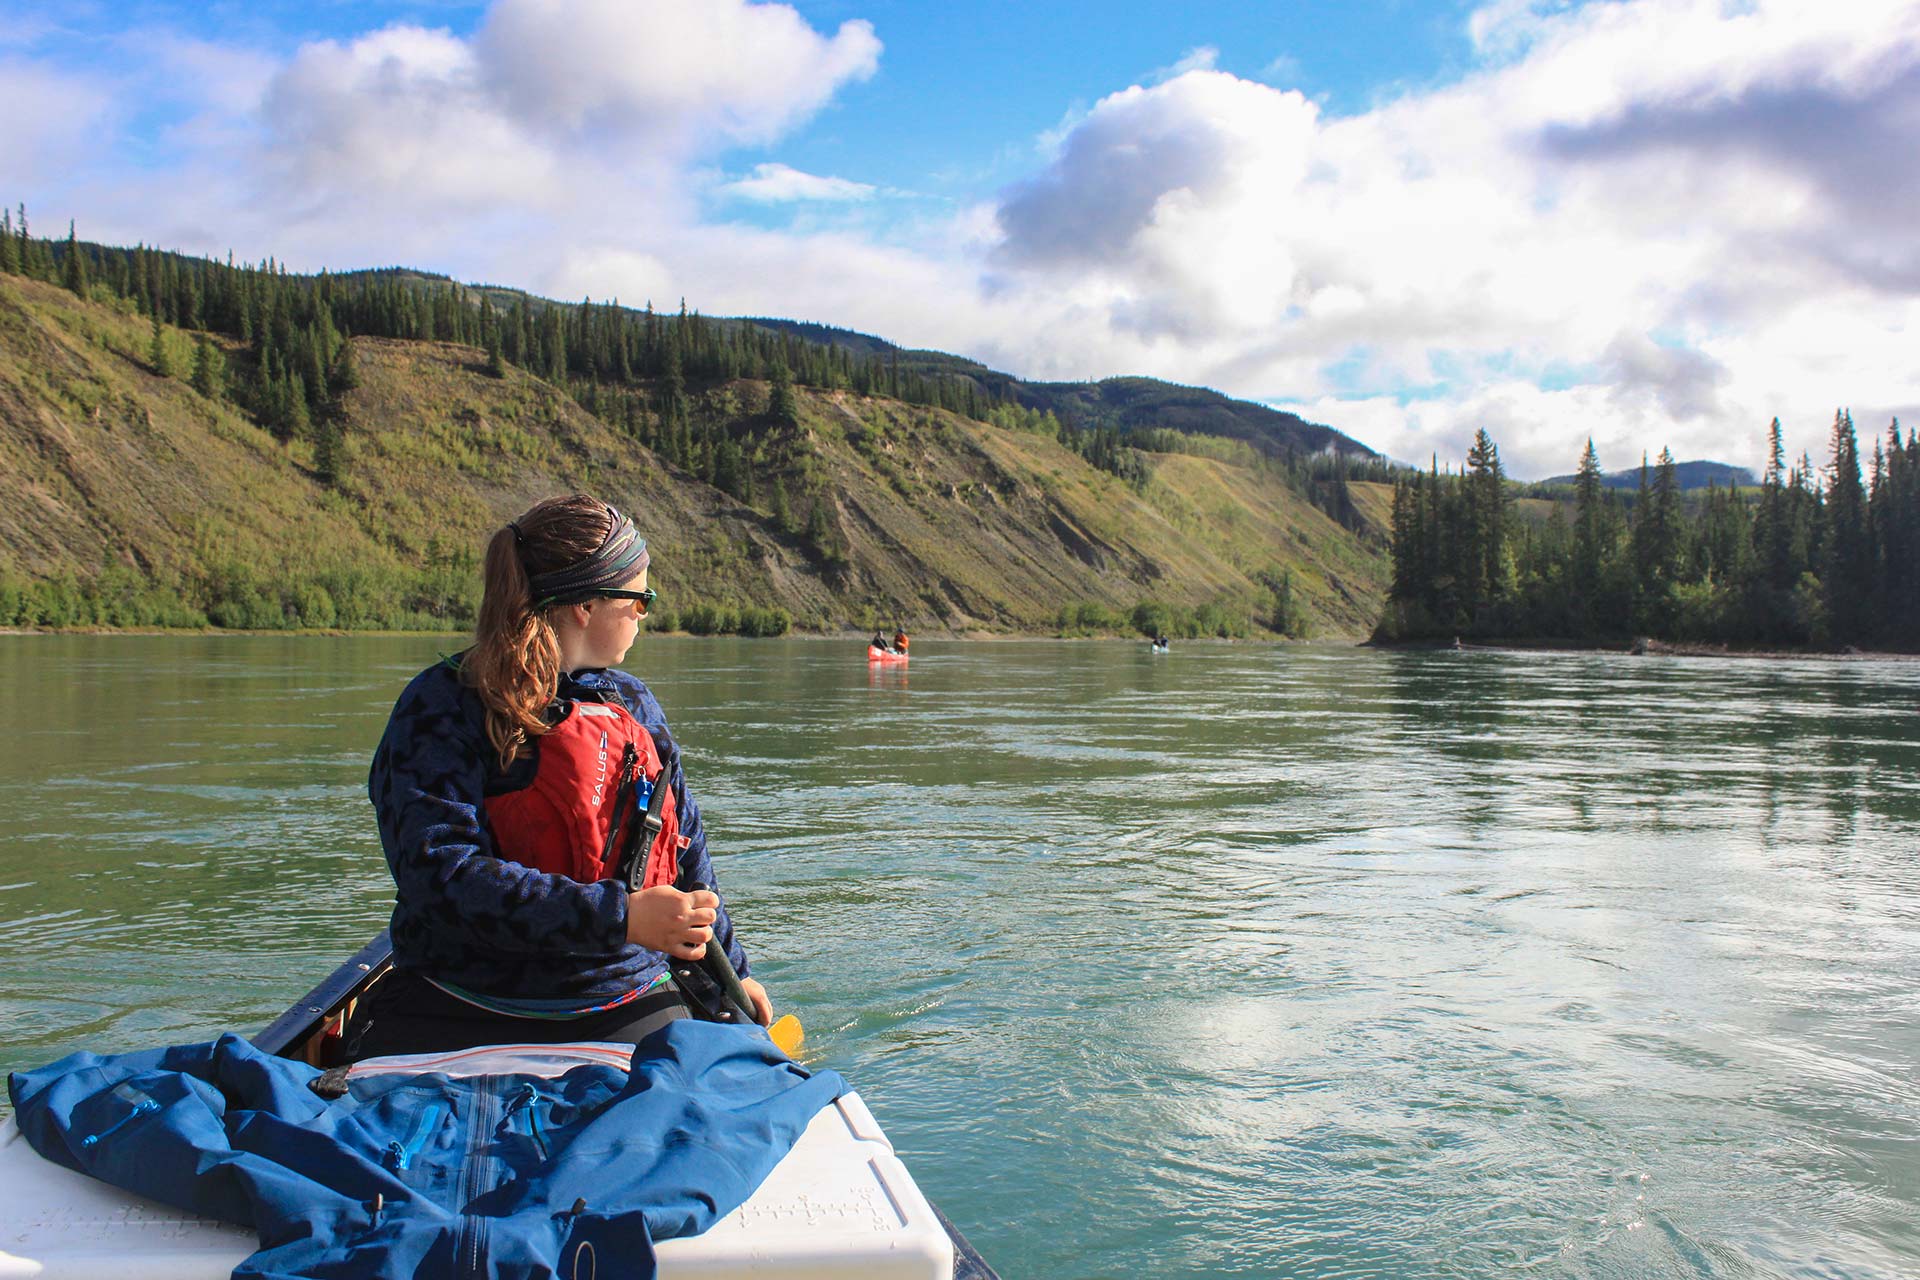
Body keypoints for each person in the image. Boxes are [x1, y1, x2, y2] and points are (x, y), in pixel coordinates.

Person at [344, 493, 773, 1060]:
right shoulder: (442, 706)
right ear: (586, 606)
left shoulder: (634, 705)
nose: (645, 612)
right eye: (639, 598)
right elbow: (440, 877)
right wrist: (621, 917)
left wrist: (731, 974)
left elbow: (687, 854)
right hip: (468, 1003)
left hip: (619, 999)